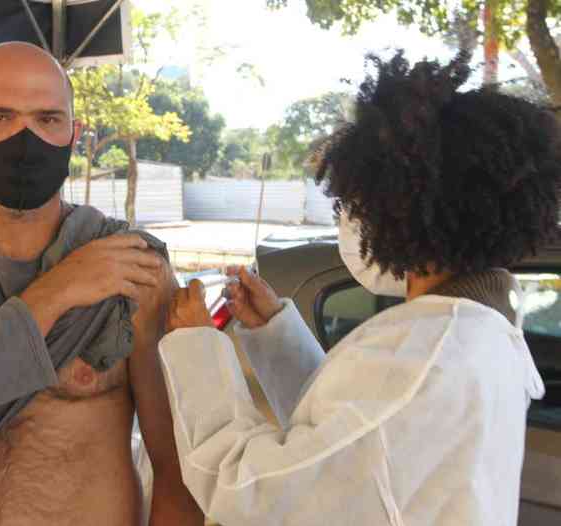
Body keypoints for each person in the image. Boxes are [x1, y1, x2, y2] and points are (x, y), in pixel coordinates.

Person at [158, 51, 560, 526]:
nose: (349, 214)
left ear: (399, 207)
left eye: (355, 198)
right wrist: (275, 333)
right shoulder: (480, 335)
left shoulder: (423, 350)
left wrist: (196, 346)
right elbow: (352, 444)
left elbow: (247, 488)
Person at [0, 42, 203, 526]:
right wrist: (64, 286)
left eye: (47, 120)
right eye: (0, 117)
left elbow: (179, 470)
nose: (26, 140)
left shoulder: (132, 264)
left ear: (73, 135)